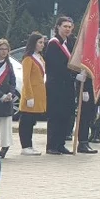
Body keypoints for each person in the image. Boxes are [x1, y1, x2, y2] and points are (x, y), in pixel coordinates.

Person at [44, 16, 78, 155]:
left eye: (70, 27)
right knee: (55, 115)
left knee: (66, 114)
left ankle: (60, 144)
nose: (67, 29)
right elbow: (55, 66)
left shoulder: (70, 42)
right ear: (58, 27)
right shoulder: (53, 44)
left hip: (68, 85)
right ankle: (51, 145)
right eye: (65, 26)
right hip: (56, 85)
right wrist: (72, 74)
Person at [19, 33, 47, 155]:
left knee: (31, 122)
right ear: (33, 43)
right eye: (40, 42)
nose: (42, 45)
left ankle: (29, 145)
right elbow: (26, 79)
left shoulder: (40, 57)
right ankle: (25, 146)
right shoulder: (28, 58)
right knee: (26, 121)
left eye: (43, 43)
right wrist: (29, 96)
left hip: (39, 93)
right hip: (30, 94)